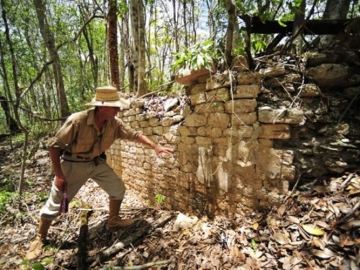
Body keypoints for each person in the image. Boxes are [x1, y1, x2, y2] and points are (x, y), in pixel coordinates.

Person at [26, 85, 173, 260]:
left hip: (96, 163)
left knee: (118, 189)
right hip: (73, 164)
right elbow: (54, 146)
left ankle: (113, 220)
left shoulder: (114, 123)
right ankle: (40, 238)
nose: (118, 109)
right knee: (56, 202)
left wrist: (155, 146)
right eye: (115, 106)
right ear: (102, 106)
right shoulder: (78, 120)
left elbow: (134, 134)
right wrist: (59, 174)